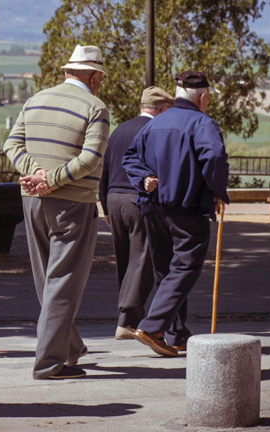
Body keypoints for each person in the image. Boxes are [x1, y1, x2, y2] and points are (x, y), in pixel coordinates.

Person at [3, 45, 109, 379]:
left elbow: (11, 145)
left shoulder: (35, 100)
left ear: (68, 71)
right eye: (100, 78)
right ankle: (49, 362)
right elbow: (91, 158)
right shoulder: (96, 106)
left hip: (31, 199)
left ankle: (71, 346)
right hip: (74, 201)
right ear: (93, 76)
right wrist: (51, 179)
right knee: (63, 280)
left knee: (45, 276)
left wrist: (36, 176)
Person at [123, 70, 229, 357]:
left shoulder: (157, 122)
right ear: (203, 97)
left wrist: (143, 177)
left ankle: (177, 334)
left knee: (165, 269)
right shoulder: (201, 122)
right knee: (185, 266)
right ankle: (153, 327)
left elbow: (130, 156)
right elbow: (215, 157)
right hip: (186, 206)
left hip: (151, 204)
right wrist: (218, 191)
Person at [99, 86, 174, 340]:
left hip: (113, 198)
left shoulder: (120, 128)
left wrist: (104, 204)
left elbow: (105, 167)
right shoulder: (154, 130)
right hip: (138, 198)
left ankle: (128, 315)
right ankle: (128, 321)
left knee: (125, 260)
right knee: (143, 259)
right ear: (163, 109)